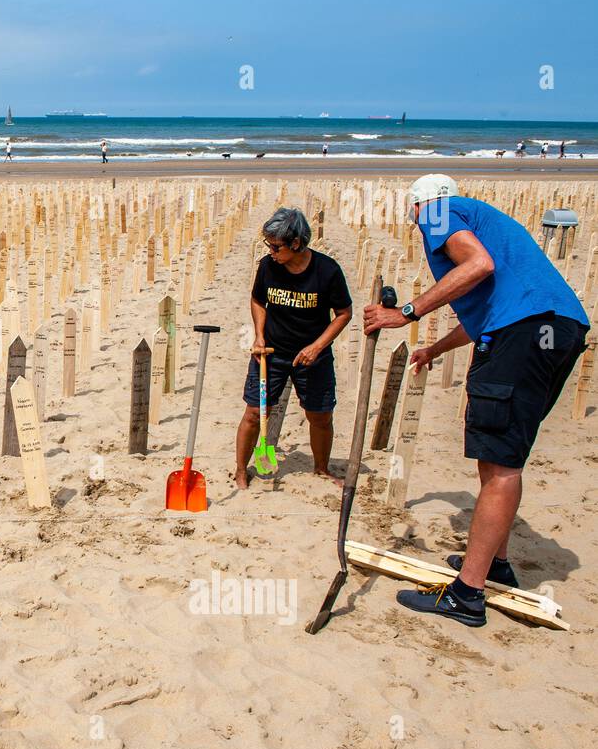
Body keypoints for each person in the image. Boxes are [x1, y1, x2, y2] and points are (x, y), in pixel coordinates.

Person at [363, 174, 590, 627]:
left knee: (500, 462)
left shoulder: (438, 212)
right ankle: (497, 565)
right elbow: (489, 312)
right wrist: (433, 349)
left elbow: (477, 265)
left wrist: (405, 312)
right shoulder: (487, 221)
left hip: (524, 333)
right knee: (502, 453)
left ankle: (467, 595)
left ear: (417, 206)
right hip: (556, 330)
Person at [235, 207, 352, 489]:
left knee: (320, 416)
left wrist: (317, 346)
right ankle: (240, 470)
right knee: (254, 413)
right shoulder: (268, 266)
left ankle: (321, 468)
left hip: (313, 357)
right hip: (271, 354)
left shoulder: (327, 271)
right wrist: (259, 336)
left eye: (276, 246)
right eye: (268, 245)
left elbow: (344, 313)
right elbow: (258, 301)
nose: (271, 251)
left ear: (296, 243)